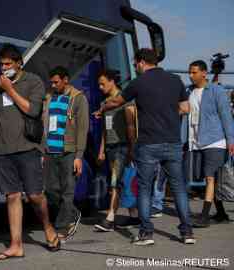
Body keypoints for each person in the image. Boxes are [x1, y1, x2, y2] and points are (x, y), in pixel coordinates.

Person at [94, 48, 195, 245]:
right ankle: (187, 232)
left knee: (144, 188)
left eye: (135, 64)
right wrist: (167, 113)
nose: (135, 67)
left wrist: (102, 108)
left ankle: (146, 234)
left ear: (141, 62)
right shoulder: (175, 80)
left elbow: (116, 102)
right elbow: (185, 108)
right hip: (173, 142)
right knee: (179, 188)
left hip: (149, 144)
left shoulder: (138, 82)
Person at [0, 43, 59, 260]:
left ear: (19, 63)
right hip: (3, 151)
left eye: (8, 64)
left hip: (29, 147)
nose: (4, 68)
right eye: (1, 64)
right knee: (12, 196)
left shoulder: (33, 81)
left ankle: (48, 227)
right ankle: (16, 244)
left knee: (35, 195)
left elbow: (33, 110)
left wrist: (10, 89)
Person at [183, 60, 234, 227]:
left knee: (209, 177)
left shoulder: (216, 90)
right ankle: (221, 213)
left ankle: (204, 217)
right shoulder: (189, 91)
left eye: (194, 72)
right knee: (209, 178)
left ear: (204, 73)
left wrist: (230, 140)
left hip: (215, 140)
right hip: (196, 141)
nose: (191, 76)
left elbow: (226, 116)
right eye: (190, 72)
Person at [42, 66, 88, 242]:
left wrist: (79, 156)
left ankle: (62, 227)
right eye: (51, 82)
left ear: (66, 80)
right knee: (51, 190)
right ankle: (73, 213)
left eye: (56, 82)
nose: (53, 85)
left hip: (68, 152)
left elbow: (83, 129)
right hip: (49, 151)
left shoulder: (78, 98)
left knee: (67, 191)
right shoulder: (48, 97)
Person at [93, 70, 140, 232]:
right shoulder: (104, 103)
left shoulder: (126, 100)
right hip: (110, 148)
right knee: (121, 182)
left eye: (102, 83)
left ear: (112, 81)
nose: (100, 87)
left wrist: (132, 150)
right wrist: (101, 150)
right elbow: (105, 131)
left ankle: (110, 218)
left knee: (115, 183)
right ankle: (135, 216)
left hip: (123, 147)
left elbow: (132, 126)